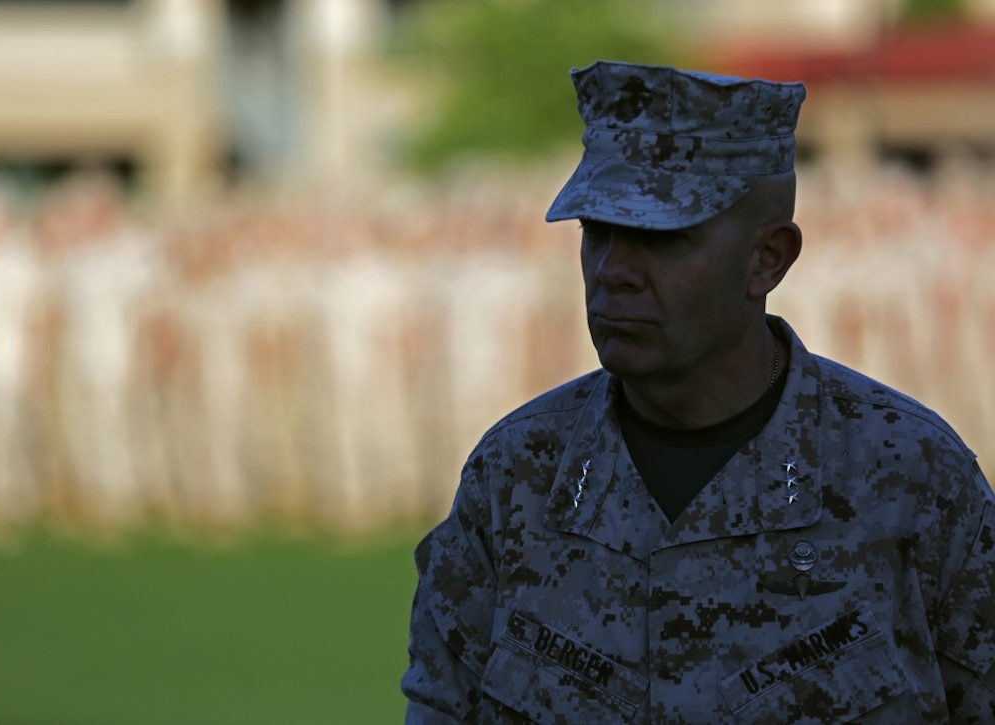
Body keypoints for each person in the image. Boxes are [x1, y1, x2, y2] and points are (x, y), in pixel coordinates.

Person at [400, 61, 995, 723]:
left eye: (659, 238)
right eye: (596, 232)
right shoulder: (516, 476)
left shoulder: (912, 479)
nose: (612, 272)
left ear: (767, 258)